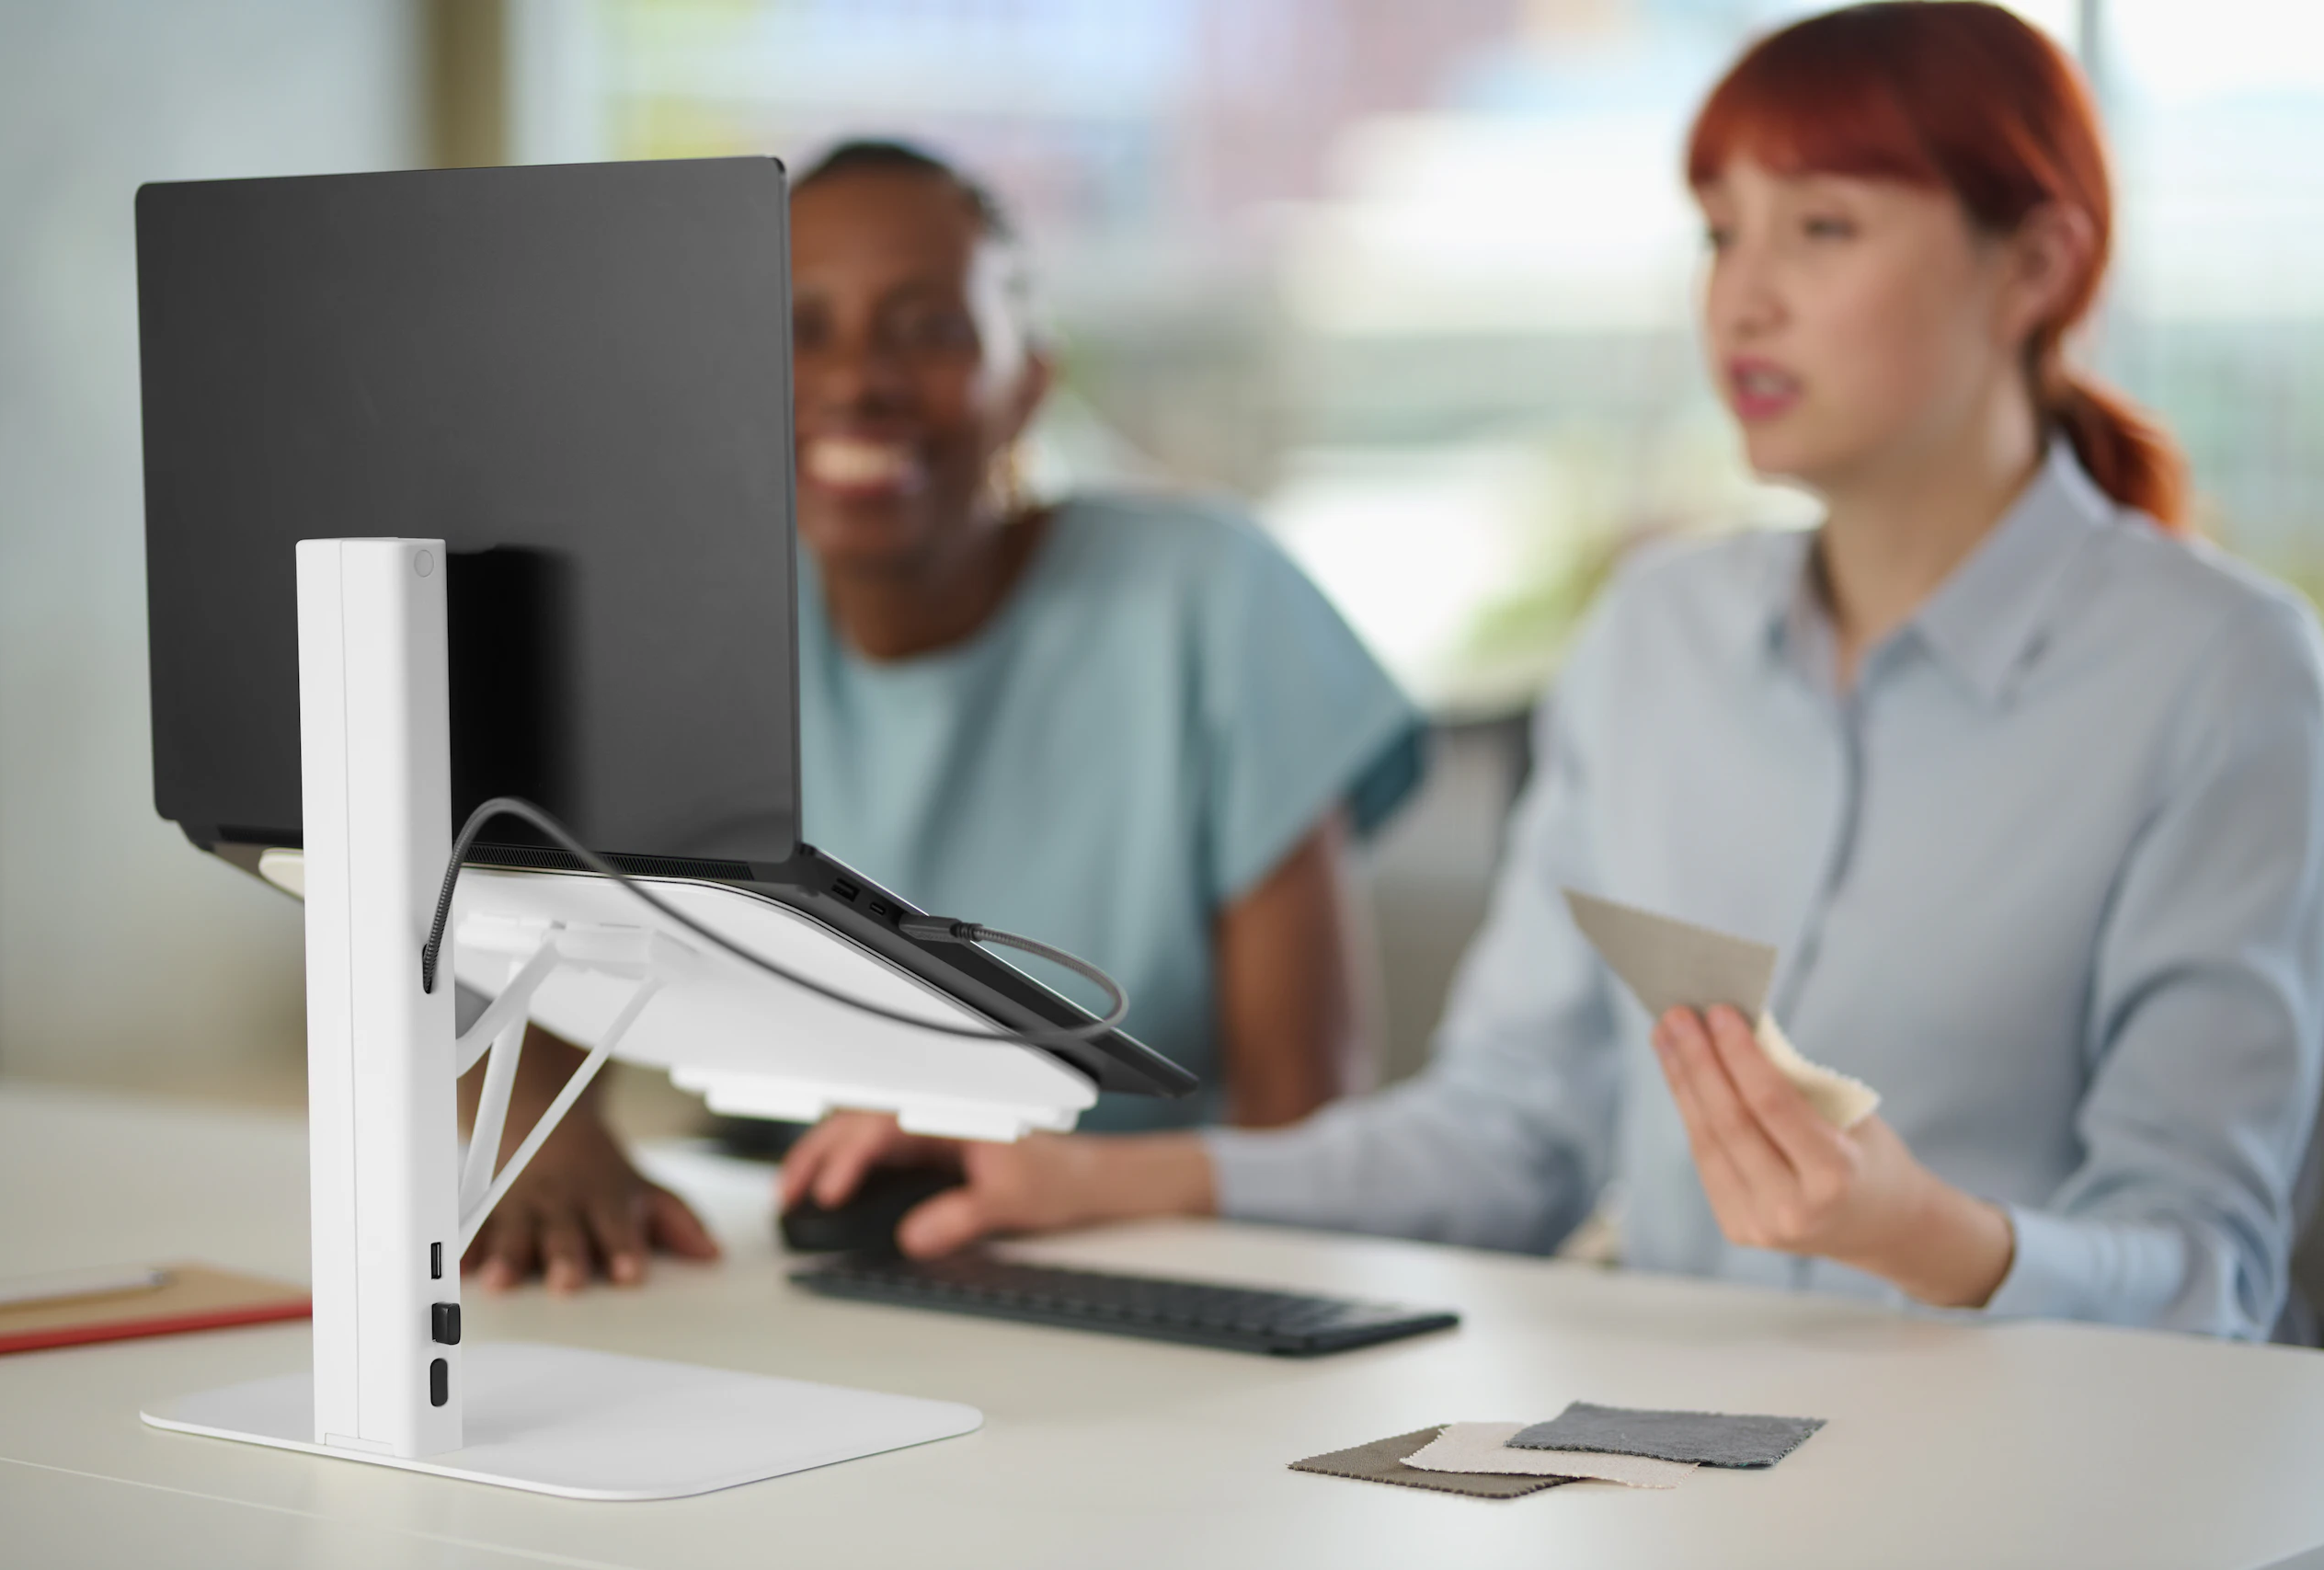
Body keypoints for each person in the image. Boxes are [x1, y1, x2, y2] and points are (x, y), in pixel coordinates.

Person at [780, 2, 2324, 1340]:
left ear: (2037, 266)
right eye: (1722, 231)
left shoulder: (2225, 673)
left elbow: (2212, 1271)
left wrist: (1922, 1230)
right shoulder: (1654, 638)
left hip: (2057, 1479)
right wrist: (1082, 1172)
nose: (1743, 297)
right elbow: (1508, 1134)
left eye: (1824, 227)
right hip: (1672, 1459)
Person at [461, 140, 1425, 1291]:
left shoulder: (1207, 600)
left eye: (928, 330)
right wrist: (546, 1141)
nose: (858, 378)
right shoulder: (673, 621)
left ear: (1028, 383)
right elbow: (516, 941)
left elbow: (1298, 1112)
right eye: (799, 328)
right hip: (808, 1261)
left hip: (1140, 1254)